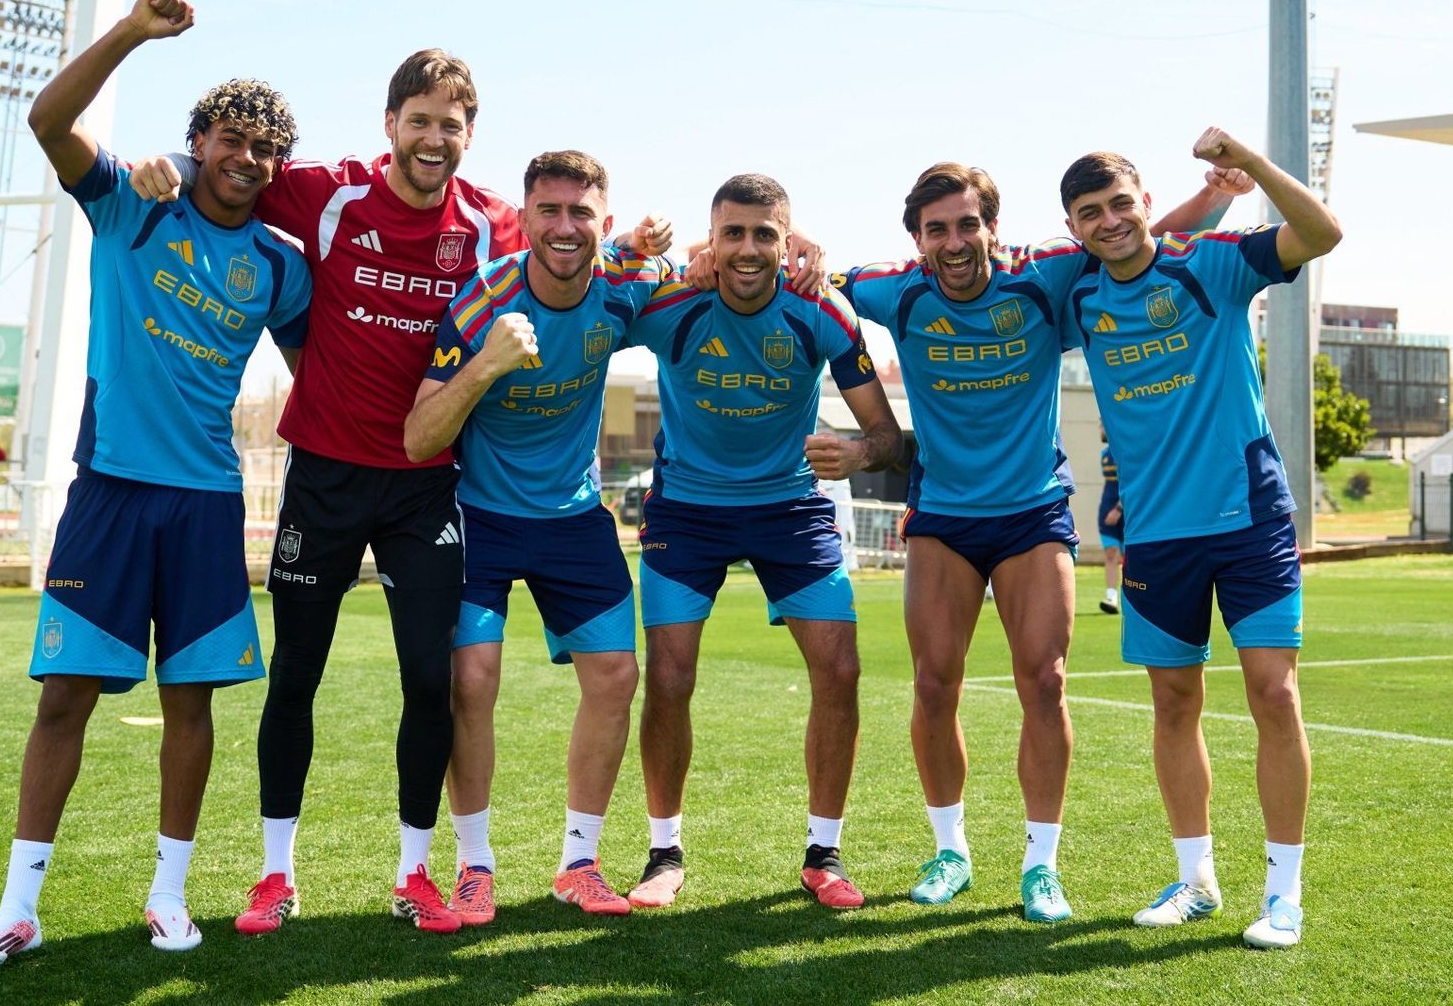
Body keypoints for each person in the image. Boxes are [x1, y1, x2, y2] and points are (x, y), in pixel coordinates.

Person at [132, 47, 530, 936]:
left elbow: (569, 237)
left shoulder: (491, 222)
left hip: (428, 486)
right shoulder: (330, 193)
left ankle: (415, 873)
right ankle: (276, 875)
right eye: (419, 121)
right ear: (389, 123)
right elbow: (237, 166)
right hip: (324, 477)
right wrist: (177, 161)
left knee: (430, 681)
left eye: (451, 127)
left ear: (470, 137)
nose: (434, 140)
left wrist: (660, 252)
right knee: (296, 680)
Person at [0, 0, 311, 969]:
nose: (247, 160)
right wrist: (132, 35)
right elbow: (46, 121)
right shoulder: (130, 204)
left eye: (264, 151)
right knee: (63, 698)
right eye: (231, 140)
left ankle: (168, 895)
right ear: (199, 141)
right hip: (107, 492)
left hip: (204, 505)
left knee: (191, 705)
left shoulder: (282, 265)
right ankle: (18, 908)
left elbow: (330, 360)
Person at [805, 163, 1245, 919]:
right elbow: (804, 281)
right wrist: (798, 247)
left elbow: (1136, 238)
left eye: (967, 224)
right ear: (916, 239)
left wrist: (1214, 197)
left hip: (1033, 513)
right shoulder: (891, 290)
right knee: (935, 684)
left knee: (1044, 682)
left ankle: (1042, 866)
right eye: (937, 228)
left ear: (992, 229)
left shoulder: (1042, 276)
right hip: (943, 515)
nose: (954, 241)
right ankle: (951, 851)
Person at [1060, 126, 1342, 950]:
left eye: (1120, 204)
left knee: (1273, 695)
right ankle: (1196, 881)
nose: (1110, 221)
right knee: (1174, 703)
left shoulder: (1209, 263)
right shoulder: (1076, 295)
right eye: (1090, 213)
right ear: (1074, 228)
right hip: (1154, 534)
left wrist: (1249, 167)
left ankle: (1282, 895)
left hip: (1249, 516)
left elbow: (1322, 235)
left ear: (1147, 203)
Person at [402, 150, 670, 924]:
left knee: (617, 677)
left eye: (580, 213)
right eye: (548, 212)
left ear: (604, 224)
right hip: (479, 517)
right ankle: (474, 867)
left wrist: (799, 255)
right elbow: (420, 437)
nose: (564, 227)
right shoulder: (482, 300)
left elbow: (716, 272)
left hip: (572, 519)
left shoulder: (625, 284)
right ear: (524, 218)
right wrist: (484, 366)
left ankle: (579, 863)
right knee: (473, 681)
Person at [621, 174, 901, 910]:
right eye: (733, 234)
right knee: (671, 678)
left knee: (840, 670)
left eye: (764, 234)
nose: (748, 250)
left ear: (789, 241)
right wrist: (660, 257)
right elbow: (583, 306)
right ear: (712, 241)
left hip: (789, 510)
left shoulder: (823, 313)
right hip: (687, 510)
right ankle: (663, 852)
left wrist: (860, 453)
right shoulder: (671, 304)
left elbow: (888, 437)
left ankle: (824, 854)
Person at [1098, 428, 1123, 614]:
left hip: (1127, 510)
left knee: (1130, 558)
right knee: (1110, 554)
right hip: (1107, 508)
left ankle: (1132, 598)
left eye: (1102, 425)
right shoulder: (1104, 453)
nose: (1100, 429)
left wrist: (1119, 508)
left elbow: (1132, 482)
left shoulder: (1126, 450)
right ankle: (1111, 597)